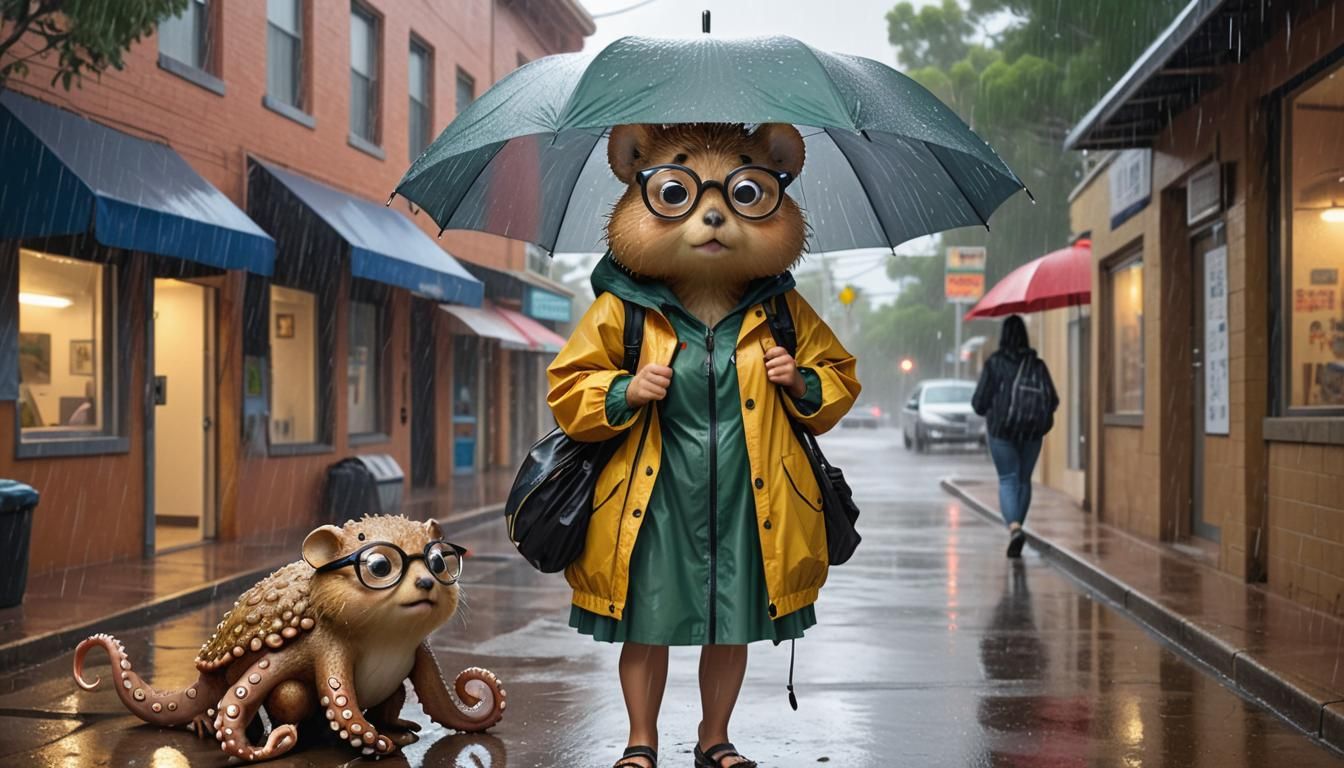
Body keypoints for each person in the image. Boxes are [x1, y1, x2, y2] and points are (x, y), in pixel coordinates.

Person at [547, 123, 860, 768]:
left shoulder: (784, 310)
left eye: (745, 191)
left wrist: (802, 379)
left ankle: (715, 738)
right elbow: (568, 389)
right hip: (651, 494)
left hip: (754, 494)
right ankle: (642, 742)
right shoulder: (622, 310)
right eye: (676, 191)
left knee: (731, 619)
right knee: (646, 620)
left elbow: (840, 379)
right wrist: (623, 391)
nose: (712, 213)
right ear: (637, 178)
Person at [972, 315, 1058, 558]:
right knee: (1023, 480)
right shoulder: (1037, 364)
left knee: (1008, 479)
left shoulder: (995, 363)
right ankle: (1018, 526)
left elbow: (978, 404)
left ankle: (1014, 528)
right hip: (1032, 432)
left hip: (1002, 431)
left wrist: (995, 405)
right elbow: (1053, 400)